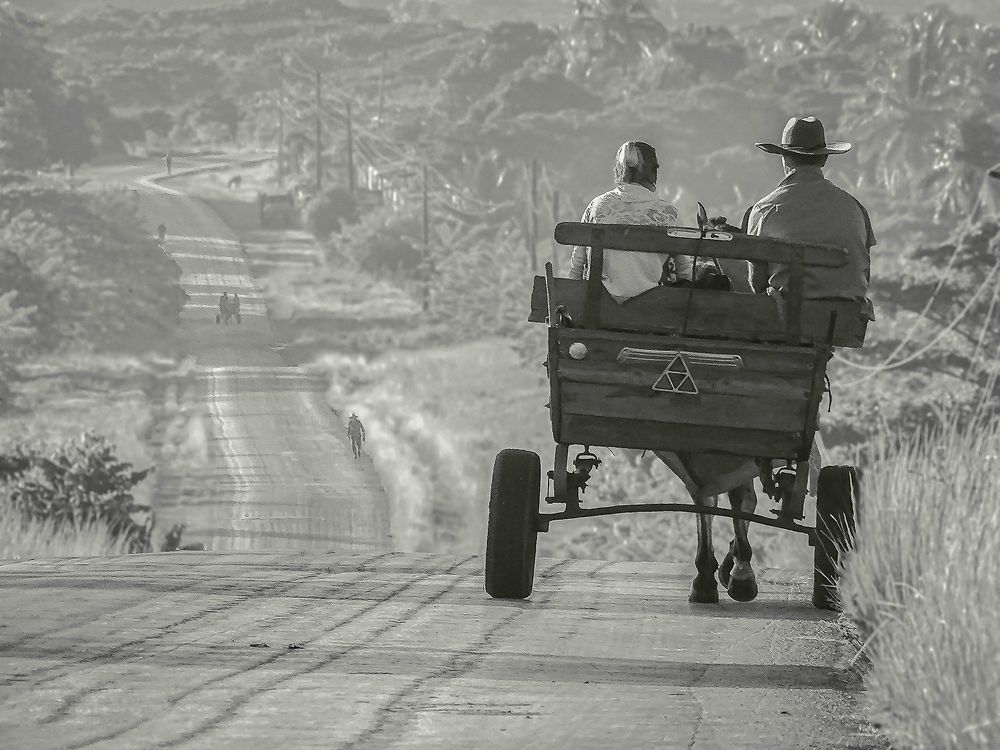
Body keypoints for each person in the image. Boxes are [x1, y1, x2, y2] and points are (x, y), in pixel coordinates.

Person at [747, 116, 876, 301]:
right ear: (823, 159)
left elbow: (757, 284)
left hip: (787, 319)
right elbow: (864, 274)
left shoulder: (763, 209)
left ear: (784, 159)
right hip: (844, 319)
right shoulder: (855, 209)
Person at [568, 141, 691, 303]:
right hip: (651, 309)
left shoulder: (597, 206)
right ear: (652, 173)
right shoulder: (669, 214)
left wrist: (571, 301)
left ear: (619, 170)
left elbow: (578, 263)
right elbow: (684, 270)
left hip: (599, 306)